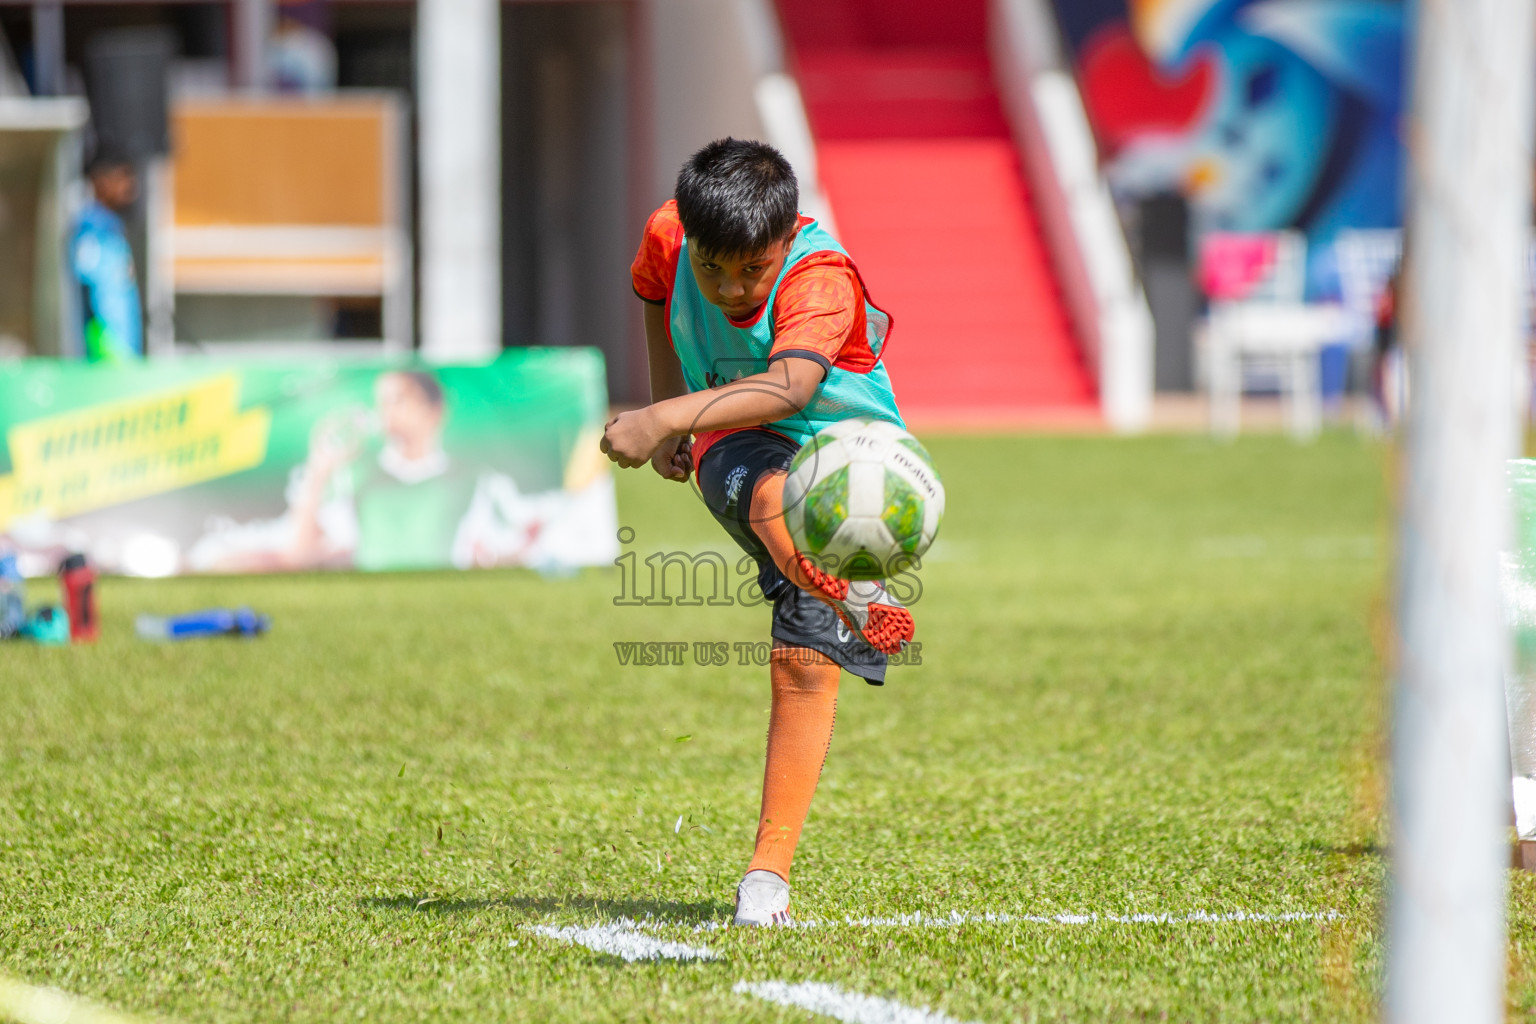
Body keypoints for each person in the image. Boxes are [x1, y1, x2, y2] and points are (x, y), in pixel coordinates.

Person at [601, 138, 915, 927]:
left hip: (856, 461)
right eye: (713, 268)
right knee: (776, 498)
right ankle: (838, 579)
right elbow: (650, 289)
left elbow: (788, 386)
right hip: (738, 445)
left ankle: (766, 878)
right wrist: (673, 407)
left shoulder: (820, 275)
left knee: (805, 665)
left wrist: (657, 415)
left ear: (784, 240)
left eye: (751, 268)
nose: (730, 287)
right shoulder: (670, 233)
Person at [72, 146, 143, 362]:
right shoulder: (91, 230)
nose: (130, 185)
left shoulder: (111, 228)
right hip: (106, 359)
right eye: (122, 176)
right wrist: (109, 353)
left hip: (121, 355)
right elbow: (86, 297)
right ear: (100, 180)